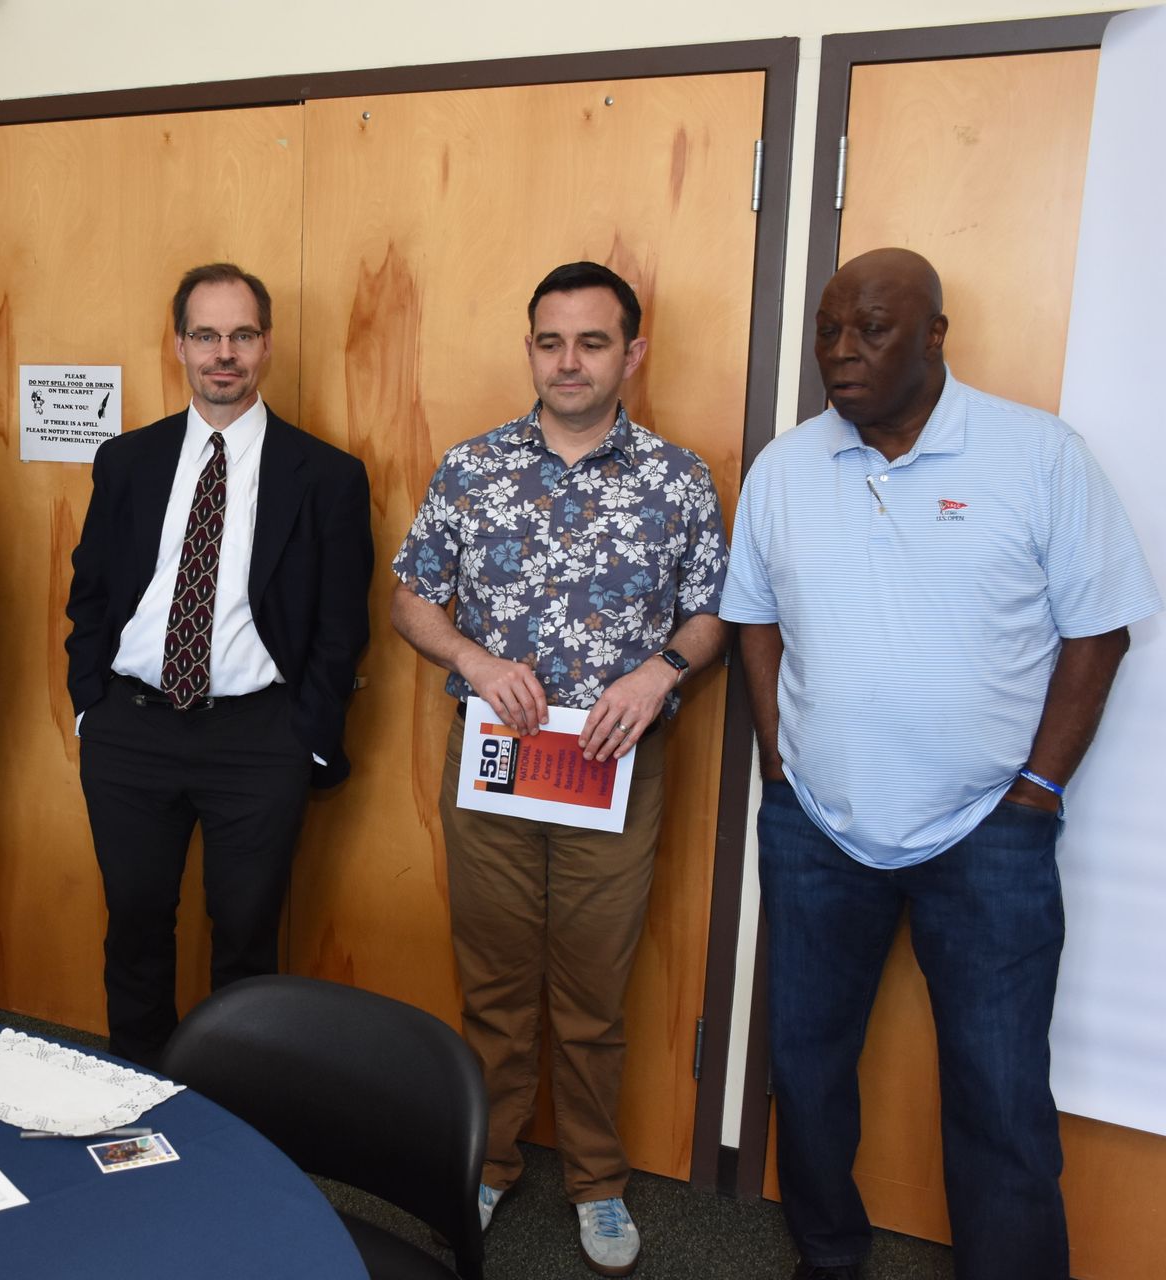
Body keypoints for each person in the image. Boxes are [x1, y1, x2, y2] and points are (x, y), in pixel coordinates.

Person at [719, 248, 1161, 1280]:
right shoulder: (785, 466)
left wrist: (1035, 793)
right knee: (809, 1064)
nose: (841, 350)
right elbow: (754, 623)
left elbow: (1100, 635)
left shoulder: (1039, 455)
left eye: (870, 327)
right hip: (816, 827)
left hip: (988, 834)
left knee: (1000, 1087)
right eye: (830, 329)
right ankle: (828, 1253)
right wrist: (783, 772)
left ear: (935, 335)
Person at [391, 261, 728, 1276]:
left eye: (591, 341)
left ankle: (598, 1180)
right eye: (550, 340)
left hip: (610, 770)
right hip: (496, 766)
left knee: (591, 990)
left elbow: (717, 611)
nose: (568, 360)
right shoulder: (471, 468)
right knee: (494, 978)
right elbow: (412, 596)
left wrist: (660, 670)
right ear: (530, 346)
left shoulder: (678, 477)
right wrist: (473, 659)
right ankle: (487, 1159)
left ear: (632, 352)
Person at [65, 262, 373, 1067]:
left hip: (258, 740)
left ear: (265, 346)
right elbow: (90, 594)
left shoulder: (327, 477)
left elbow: (343, 627)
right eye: (206, 335)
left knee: (244, 937)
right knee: (134, 925)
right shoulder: (127, 461)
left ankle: (236, 1118)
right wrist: (87, 703)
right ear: (179, 346)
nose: (223, 353)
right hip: (129, 732)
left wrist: (308, 736)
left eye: (240, 335)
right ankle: (136, 1093)